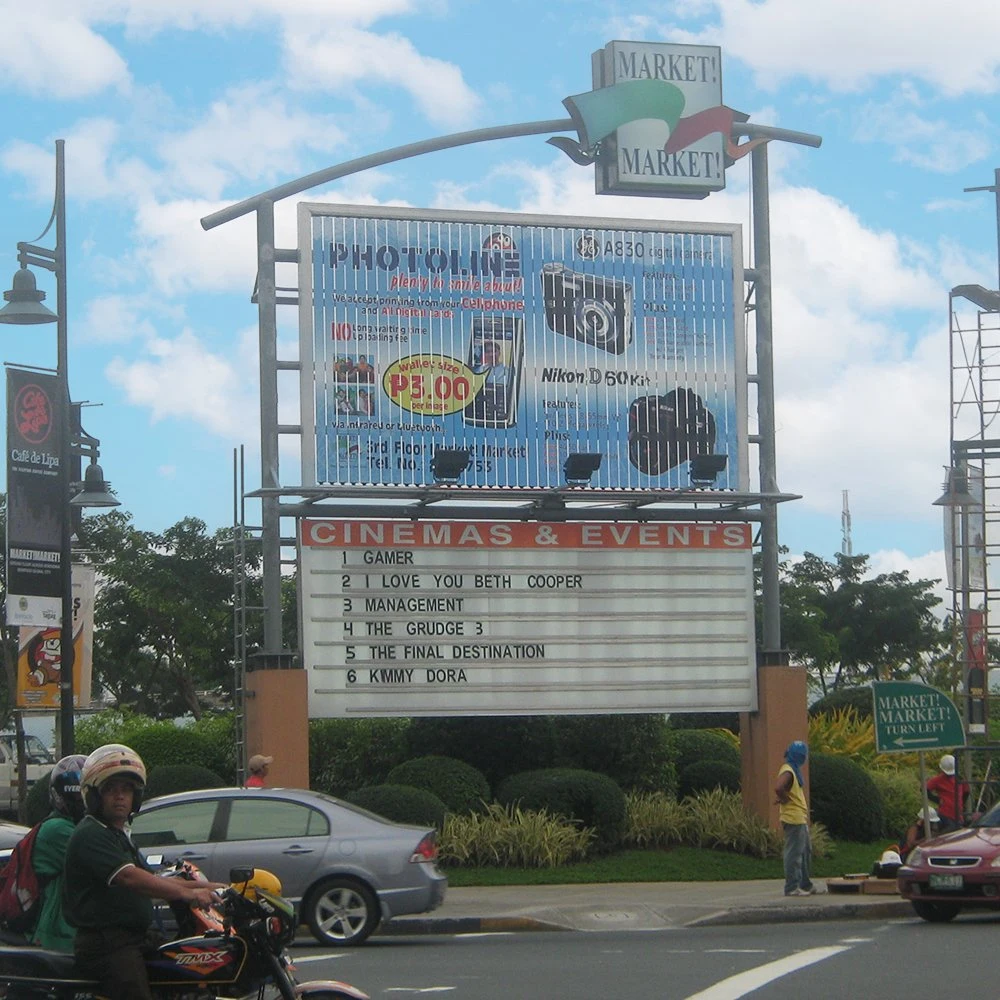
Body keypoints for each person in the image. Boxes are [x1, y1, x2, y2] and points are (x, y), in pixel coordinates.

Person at [64, 744, 225, 1000]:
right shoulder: (91, 834)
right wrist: (188, 895)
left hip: (136, 938)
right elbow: (131, 878)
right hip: (109, 945)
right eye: (111, 790)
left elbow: (152, 881)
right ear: (94, 796)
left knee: (182, 976)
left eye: (126, 789)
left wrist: (214, 888)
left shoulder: (117, 835)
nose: (120, 796)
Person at [29, 754, 87, 952]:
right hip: (61, 934)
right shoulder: (58, 829)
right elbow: (109, 868)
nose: (81, 804)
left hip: (77, 930)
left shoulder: (84, 828)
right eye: (75, 798)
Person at [774, 740, 816, 897]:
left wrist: (784, 797)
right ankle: (792, 887)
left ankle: (805, 884)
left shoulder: (792, 769)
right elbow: (778, 787)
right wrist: (784, 799)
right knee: (794, 853)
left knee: (805, 851)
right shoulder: (789, 771)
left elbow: (784, 789)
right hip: (793, 818)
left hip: (798, 817)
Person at [926, 754, 969, 832]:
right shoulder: (938, 780)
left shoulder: (959, 778)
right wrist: (937, 800)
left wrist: (962, 803)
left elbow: (967, 791)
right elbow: (925, 789)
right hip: (945, 813)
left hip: (958, 814)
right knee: (950, 832)